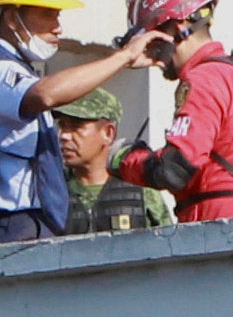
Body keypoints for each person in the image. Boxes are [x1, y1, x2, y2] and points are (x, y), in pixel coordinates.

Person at [0, 0, 164, 247]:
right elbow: (46, 95)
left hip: (22, 228)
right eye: (47, 14)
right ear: (12, 18)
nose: (58, 27)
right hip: (9, 230)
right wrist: (123, 57)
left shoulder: (11, 69)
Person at [117, 0, 233, 223]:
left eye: (152, 39)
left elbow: (174, 168)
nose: (150, 52)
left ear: (177, 28)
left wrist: (123, 159)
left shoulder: (205, 79)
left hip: (220, 227)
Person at [54, 87, 172, 233]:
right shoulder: (53, 191)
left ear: (108, 133)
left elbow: (169, 245)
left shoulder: (141, 191)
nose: (63, 136)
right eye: (62, 126)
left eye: (75, 126)